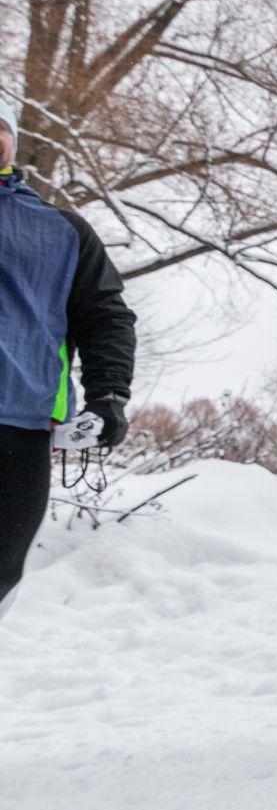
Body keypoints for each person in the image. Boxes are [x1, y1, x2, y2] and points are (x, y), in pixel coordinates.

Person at [0, 99, 138, 625]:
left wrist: (108, 396)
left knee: (4, 568)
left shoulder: (62, 230)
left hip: (20, 421)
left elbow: (104, 316)